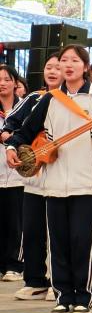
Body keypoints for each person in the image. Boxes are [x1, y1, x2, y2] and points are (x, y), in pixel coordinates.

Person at [5, 45, 92, 313]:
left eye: (75, 60)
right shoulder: (50, 100)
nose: (68, 65)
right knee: (58, 243)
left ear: (85, 67)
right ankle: (63, 297)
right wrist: (12, 147)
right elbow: (26, 130)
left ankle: (83, 297)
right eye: (64, 60)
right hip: (54, 184)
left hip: (87, 184)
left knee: (82, 242)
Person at [4, 54, 61, 301]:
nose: (53, 71)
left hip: (62, 178)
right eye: (49, 66)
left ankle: (59, 284)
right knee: (32, 231)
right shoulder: (33, 98)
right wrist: (11, 140)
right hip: (34, 178)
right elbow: (12, 124)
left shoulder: (78, 102)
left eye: (58, 67)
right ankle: (35, 280)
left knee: (58, 233)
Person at [0, 65, 24, 282]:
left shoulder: (24, 108)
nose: (2, 83)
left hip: (19, 176)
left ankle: (15, 265)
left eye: (7, 79)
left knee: (17, 223)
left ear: (16, 83)